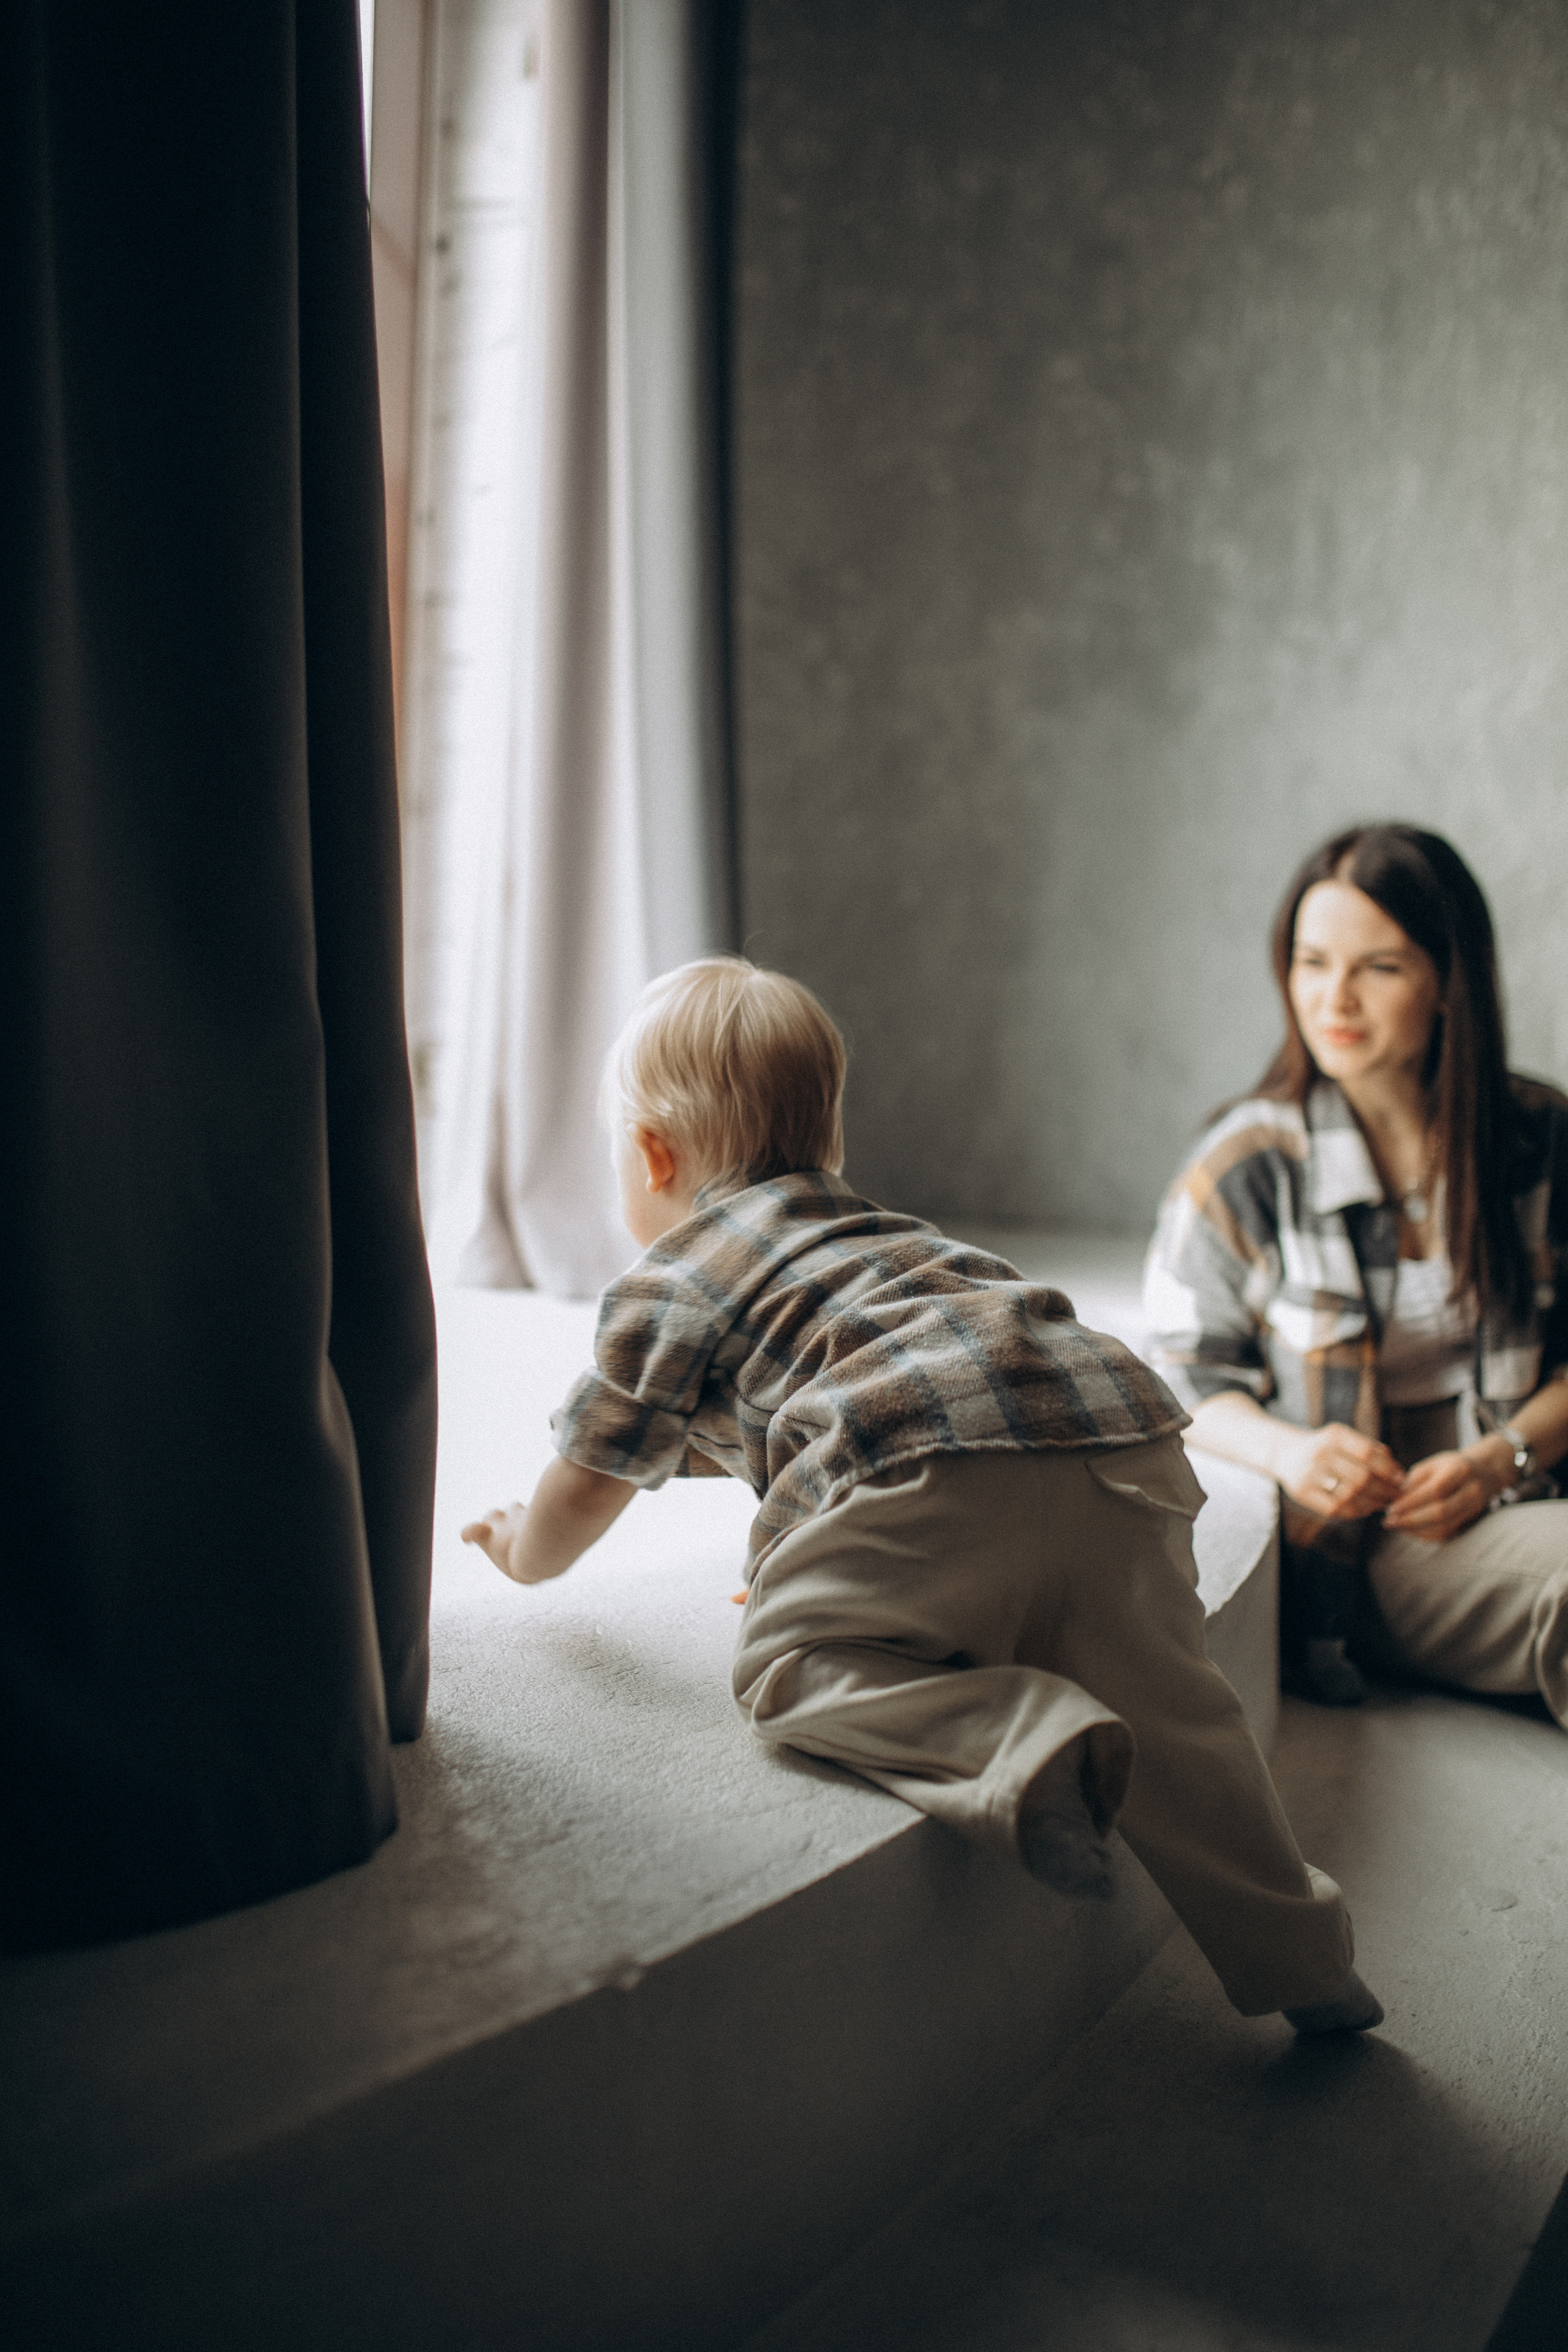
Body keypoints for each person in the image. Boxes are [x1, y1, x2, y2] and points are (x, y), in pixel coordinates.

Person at [464, 957, 1380, 2033]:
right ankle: (1309, 1962)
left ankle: (1027, 1744)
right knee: (1187, 1723)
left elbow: (600, 1465)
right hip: (1119, 1442)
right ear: (826, 1140)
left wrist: (526, 1548)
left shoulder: (676, 1279)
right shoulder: (894, 1244)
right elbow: (806, 1427)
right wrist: (806, 1548)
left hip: (935, 1470)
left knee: (787, 1664)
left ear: (653, 1155)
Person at [1144, 823, 1568, 1717]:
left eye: (1379, 968)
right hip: (1379, 1539)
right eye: (1311, 963)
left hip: (1523, 1479)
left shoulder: (1541, 1137)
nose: (1335, 998)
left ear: (1449, 982)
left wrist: (1499, 1460)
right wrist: (1294, 1452)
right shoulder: (1247, 1165)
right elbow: (1179, 1376)